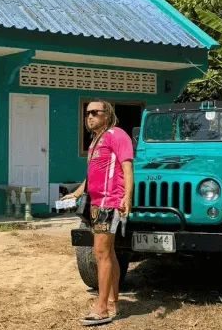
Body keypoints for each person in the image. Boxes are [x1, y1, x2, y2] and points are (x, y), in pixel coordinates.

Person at [62, 99, 134, 326]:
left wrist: (127, 197)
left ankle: (101, 308)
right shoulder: (96, 140)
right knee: (108, 252)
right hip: (96, 203)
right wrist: (76, 193)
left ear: (107, 114)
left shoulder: (117, 135)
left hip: (110, 202)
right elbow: (93, 173)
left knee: (101, 253)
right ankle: (112, 302)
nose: (90, 116)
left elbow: (127, 168)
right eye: (87, 113)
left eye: (95, 112)